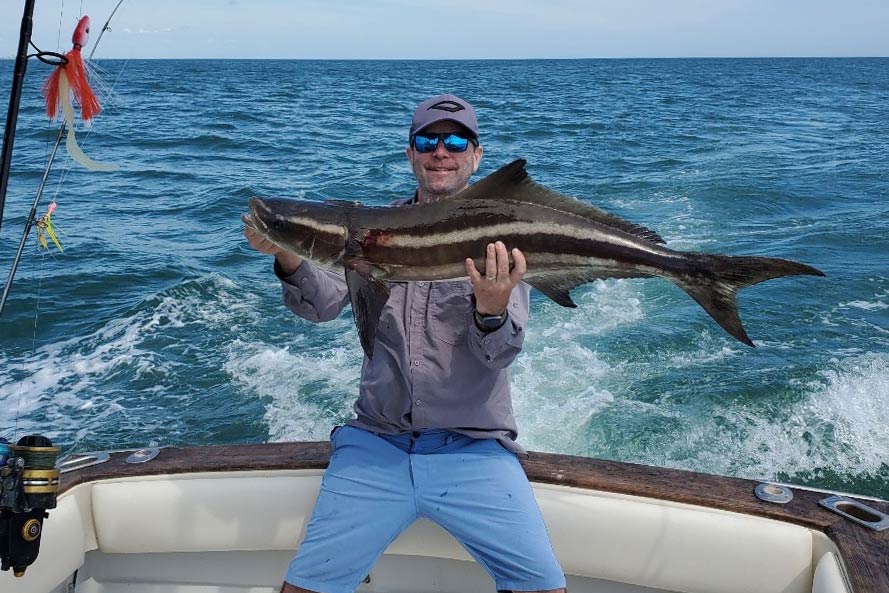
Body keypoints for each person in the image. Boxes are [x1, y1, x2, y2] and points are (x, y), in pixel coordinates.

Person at [244, 93, 567, 593]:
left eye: (456, 140)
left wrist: (491, 310)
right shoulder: (371, 233)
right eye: (428, 140)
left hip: (475, 446)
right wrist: (286, 254)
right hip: (377, 442)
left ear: (476, 157)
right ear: (411, 153)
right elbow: (322, 306)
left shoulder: (500, 239)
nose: (442, 150)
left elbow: (500, 353)